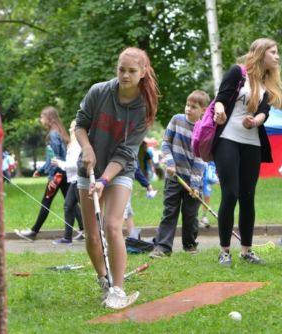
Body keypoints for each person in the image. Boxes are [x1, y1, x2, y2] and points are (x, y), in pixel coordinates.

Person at [74, 47, 159, 309]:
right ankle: (104, 279)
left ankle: (119, 289)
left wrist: (103, 181)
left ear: (143, 72)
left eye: (132, 71)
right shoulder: (99, 91)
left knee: (112, 225)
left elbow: (125, 152)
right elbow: (80, 124)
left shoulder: (144, 107)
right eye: (121, 69)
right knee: (91, 235)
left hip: (120, 170)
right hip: (88, 168)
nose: (125, 75)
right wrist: (87, 149)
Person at [212, 38, 282, 266]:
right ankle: (224, 250)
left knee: (248, 196)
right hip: (228, 139)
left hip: (252, 143)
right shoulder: (237, 73)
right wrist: (220, 112)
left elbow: (264, 113)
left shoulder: (267, 84)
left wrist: (254, 121)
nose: (277, 56)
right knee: (230, 193)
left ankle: (246, 250)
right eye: (273, 52)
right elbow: (220, 99)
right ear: (261, 53)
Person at [148, 89, 209, 258]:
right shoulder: (176, 120)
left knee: (190, 215)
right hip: (174, 177)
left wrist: (195, 186)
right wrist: (170, 163)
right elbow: (166, 143)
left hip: (192, 180)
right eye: (187, 105)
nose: (188, 109)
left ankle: (189, 245)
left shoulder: (204, 130)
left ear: (203, 110)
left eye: (194, 107)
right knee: (170, 211)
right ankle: (162, 247)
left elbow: (200, 160)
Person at [15, 107, 70, 242]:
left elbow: (56, 159)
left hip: (58, 175)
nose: (41, 120)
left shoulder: (53, 135)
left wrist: (54, 177)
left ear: (49, 119)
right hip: (64, 173)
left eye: (42, 117)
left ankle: (33, 232)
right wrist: (41, 170)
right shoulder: (59, 132)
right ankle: (82, 229)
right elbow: (53, 158)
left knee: (46, 202)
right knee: (71, 203)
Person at [50, 120, 85, 244]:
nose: (69, 130)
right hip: (74, 181)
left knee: (87, 210)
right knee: (68, 206)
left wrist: (59, 163)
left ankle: (99, 235)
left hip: (78, 180)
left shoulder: (77, 145)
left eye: (72, 128)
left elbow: (75, 165)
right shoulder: (73, 144)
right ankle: (67, 238)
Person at [199, 161, 218, 228]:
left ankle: (203, 217)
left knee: (207, 197)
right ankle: (198, 218)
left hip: (207, 176)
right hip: (199, 172)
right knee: (198, 196)